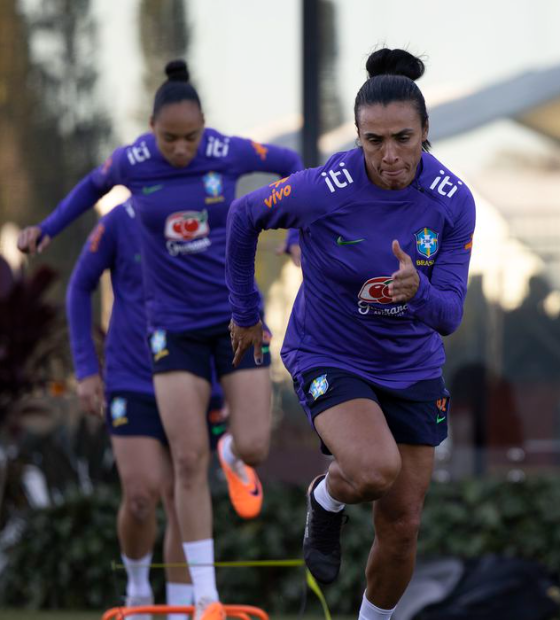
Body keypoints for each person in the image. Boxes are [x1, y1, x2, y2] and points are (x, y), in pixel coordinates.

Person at [18, 59, 304, 620]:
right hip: (170, 332)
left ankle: (232, 454)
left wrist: (293, 233)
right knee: (182, 468)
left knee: (252, 447)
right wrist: (47, 229)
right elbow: (88, 189)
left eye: (190, 138)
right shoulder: (133, 164)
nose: (180, 149)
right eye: (169, 138)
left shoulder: (227, 152)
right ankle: (201, 597)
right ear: (151, 130)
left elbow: (292, 164)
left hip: (237, 321)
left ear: (205, 128)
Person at [225, 48, 476, 620]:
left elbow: (451, 315)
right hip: (329, 353)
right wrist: (244, 312)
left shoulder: (452, 202)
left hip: (411, 366)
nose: (390, 156)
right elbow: (244, 216)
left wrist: (422, 293)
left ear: (425, 132)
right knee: (372, 470)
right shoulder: (324, 188)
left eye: (403, 139)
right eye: (374, 141)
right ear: (358, 137)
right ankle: (327, 495)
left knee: (403, 524)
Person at [67, 199, 227, 619]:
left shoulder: (212, 216)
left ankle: (178, 610)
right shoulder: (121, 221)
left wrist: (228, 384)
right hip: (132, 378)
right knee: (140, 495)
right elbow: (79, 285)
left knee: (181, 496)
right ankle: (138, 590)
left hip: (193, 377)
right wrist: (86, 369)